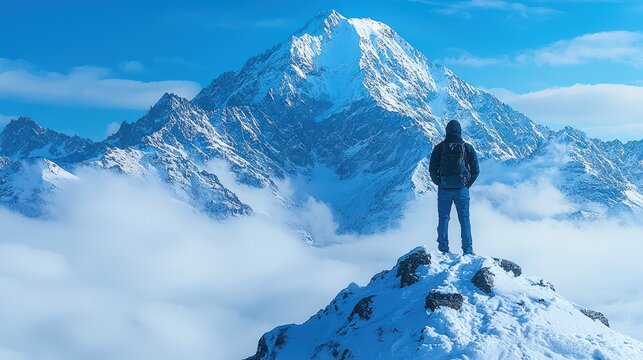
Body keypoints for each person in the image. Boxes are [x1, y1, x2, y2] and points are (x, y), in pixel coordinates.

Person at [429, 120, 480, 255]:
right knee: (464, 220)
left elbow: (432, 169)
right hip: (462, 189)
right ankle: (468, 250)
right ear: (459, 131)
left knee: (444, 218)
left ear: (447, 131)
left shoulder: (439, 148)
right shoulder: (467, 148)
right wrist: (467, 185)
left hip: (444, 189)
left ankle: (443, 249)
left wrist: (439, 183)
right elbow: (476, 170)